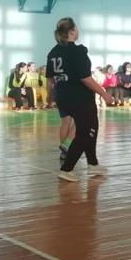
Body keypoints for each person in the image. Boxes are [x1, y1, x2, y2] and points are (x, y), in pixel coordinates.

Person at [46, 17, 114, 182]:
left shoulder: (53, 52)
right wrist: (104, 93)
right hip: (79, 97)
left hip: (63, 95)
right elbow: (86, 79)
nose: (77, 31)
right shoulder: (76, 51)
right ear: (71, 32)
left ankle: (93, 163)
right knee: (85, 132)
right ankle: (67, 168)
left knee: (92, 126)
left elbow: (49, 79)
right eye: (76, 28)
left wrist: (49, 95)